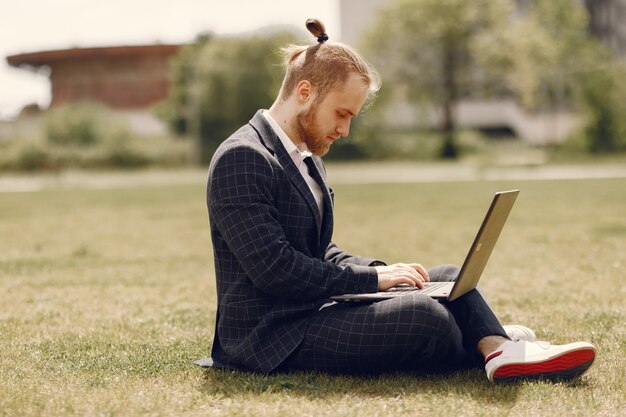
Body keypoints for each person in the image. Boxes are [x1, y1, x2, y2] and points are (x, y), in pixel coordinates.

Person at [201, 19, 596, 382]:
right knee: (423, 315)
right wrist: (373, 280)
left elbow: (319, 251)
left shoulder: (307, 158)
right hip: (272, 335)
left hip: (311, 311)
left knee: (446, 276)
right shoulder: (243, 158)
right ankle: (486, 339)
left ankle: (497, 348)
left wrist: (386, 271)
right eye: (341, 113)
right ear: (305, 92)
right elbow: (276, 270)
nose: (345, 129)